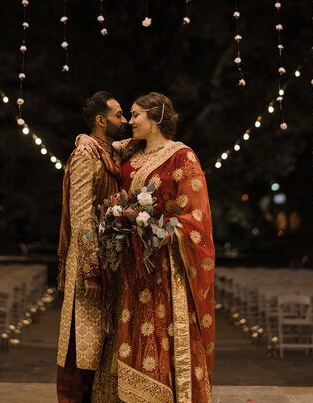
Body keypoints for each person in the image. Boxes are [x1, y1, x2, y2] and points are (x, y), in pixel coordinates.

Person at [79, 92, 215, 403]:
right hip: (131, 266)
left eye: (136, 114)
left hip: (164, 268)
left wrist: (158, 233)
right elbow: (97, 143)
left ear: (155, 119)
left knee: (159, 335)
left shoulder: (182, 156)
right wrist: (81, 137)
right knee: (128, 335)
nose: (129, 122)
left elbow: (195, 216)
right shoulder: (129, 152)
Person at [56, 91, 128, 403]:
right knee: (79, 348)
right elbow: (82, 218)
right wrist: (89, 272)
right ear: (101, 120)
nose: (124, 121)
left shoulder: (111, 154)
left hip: (110, 264)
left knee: (100, 349)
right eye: (119, 115)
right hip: (88, 270)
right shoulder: (87, 157)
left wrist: (81, 135)